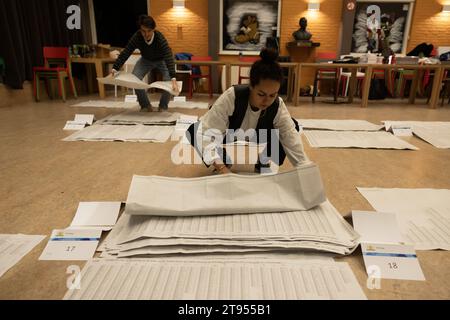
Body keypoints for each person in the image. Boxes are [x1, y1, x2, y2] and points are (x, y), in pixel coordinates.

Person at [186, 48, 309, 175]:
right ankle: (222, 159)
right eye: (261, 94)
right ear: (251, 86)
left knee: (292, 126)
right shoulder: (232, 96)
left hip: (260, 134)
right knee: (194, 131)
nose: (267, 101)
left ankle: (264, 160)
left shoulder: (277, 105)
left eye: (272, 95)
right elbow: (206, 133)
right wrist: (223, 169)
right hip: (230, 133)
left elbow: (290, 137)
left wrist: (305, 168)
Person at [111, 15, 178, 112]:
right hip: (146, 60)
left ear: (153, 29)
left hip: (162, 59)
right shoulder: (137, 37)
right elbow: (126, 52)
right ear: (140, 30)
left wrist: (173, 78)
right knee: (135, 78)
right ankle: (145, 105)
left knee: (169, 81)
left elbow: (168, 56)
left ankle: (163, 106)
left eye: (149, 31)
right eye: (143, 31)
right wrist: (115, 68)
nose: (146, 34)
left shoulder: (160, 38)